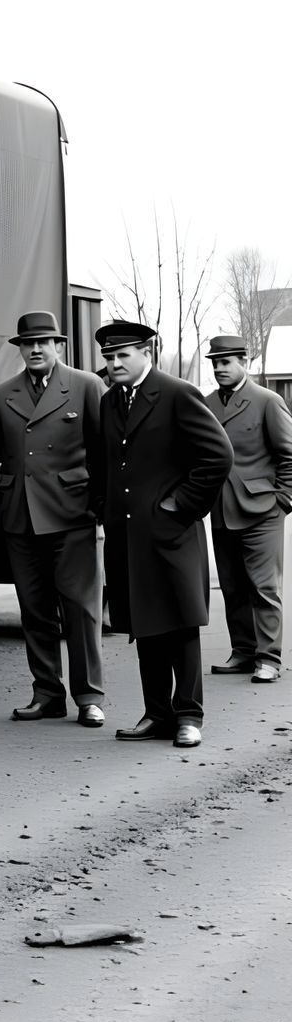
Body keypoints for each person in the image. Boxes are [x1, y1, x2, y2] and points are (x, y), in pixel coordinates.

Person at [0, 311, 107, 726]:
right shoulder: (1, 394)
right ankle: (47, 693)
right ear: (20, 349)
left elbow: (104, 453)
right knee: (34, 609)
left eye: (44, 342)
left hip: (73, 514)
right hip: (19, 516)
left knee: (81, 609)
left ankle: (89, 697)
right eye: (29, 344)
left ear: (58, 346)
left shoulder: (85, 386)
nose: (36, 349)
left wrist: (104, 505)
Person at [97, 319, 233, 748]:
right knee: (145, 624)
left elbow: (218, 456)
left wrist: (180, 505)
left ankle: (189, 716)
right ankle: (157, 713)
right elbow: (109, 464)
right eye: (109, 357)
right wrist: (106, 511)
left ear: (145, 354)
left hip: (172, 534)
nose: (115, 363)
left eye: (123, 355)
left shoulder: (176, 394)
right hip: (127, 536)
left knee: (180, 625)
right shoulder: (110, 402)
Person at [203, 333, 292, 684]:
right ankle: (242, 651)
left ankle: (268, 657)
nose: (219, 369)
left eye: (226, 362)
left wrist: (283, 500)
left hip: (262, 511)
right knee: (232, 587)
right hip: (221, 510)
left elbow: (289, 455)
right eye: (215, 363)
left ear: (245, 362)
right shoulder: (206, 403)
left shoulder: (267, 401)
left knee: (263, 587)